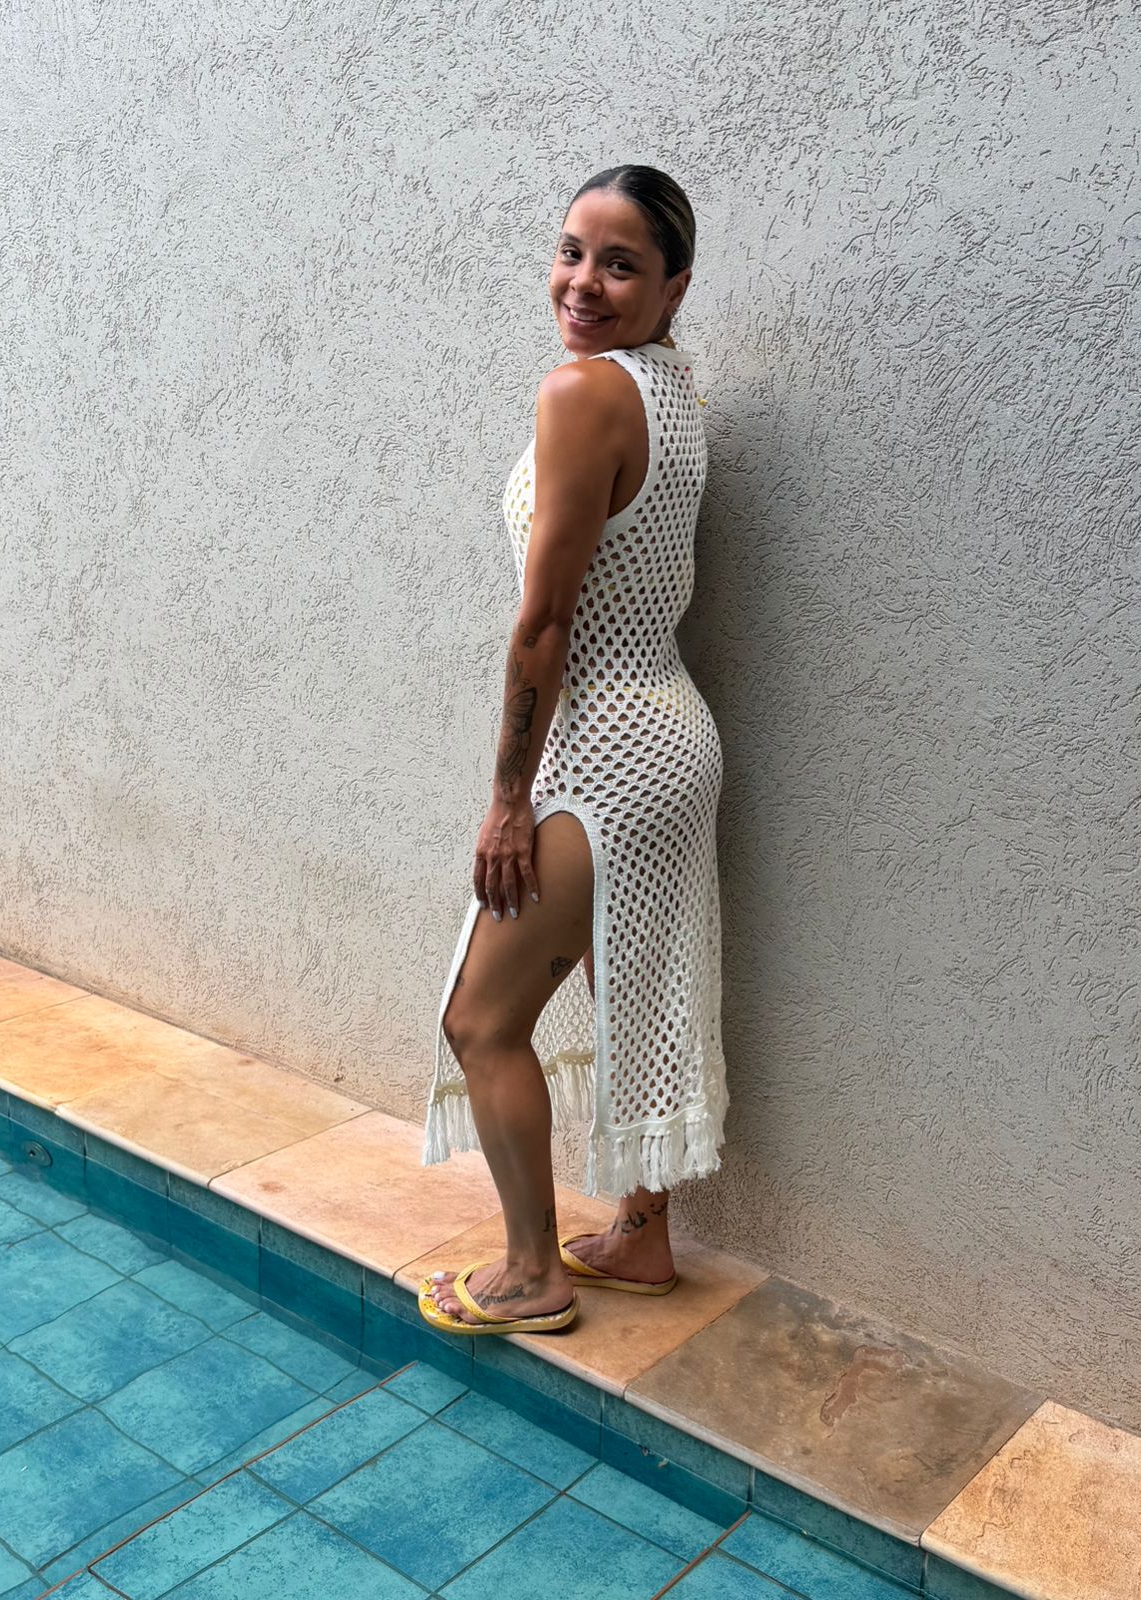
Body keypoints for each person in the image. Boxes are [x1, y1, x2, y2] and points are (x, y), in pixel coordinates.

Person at [418, 164, 728, 1335]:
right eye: (570, 252)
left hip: (606, 754)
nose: (582, 282)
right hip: (671, 735)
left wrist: (508, 798)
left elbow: (546, 622)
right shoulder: (672, 387)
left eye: (620, 263)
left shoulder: (584, 392)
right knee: (624, 988)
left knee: (481, 1018)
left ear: (674, 286)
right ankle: (641, 1238)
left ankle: (531, 1272)